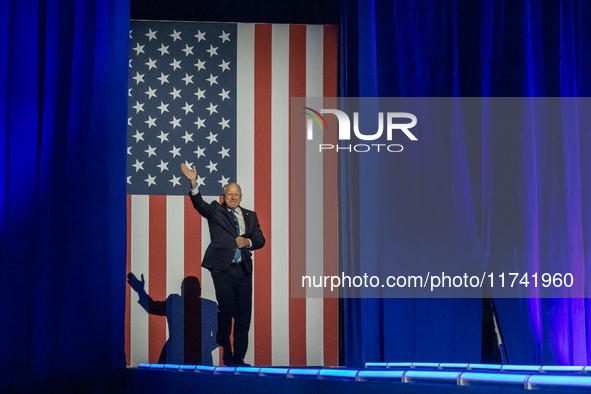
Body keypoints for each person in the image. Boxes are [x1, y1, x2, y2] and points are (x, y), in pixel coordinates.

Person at [180, 163, 265, 367]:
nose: (233, 197)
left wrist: (248, 242)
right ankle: (226, 349)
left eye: (236, 194)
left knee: (244, 316)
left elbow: (260, 240)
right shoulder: (216, 211)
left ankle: (239, 358)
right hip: (223, 270)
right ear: (223, 196)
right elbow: (199, 203)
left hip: (243, 271)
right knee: (226, 310)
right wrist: (193, 182)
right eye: (229, 194)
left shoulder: (250, 216)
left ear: (241, 196)